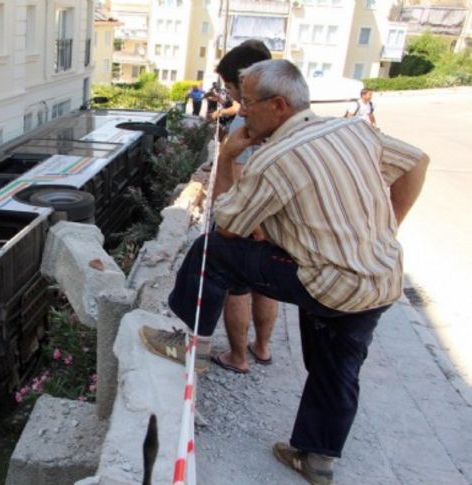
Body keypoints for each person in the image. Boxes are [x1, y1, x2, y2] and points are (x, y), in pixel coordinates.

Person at [141, 60, 428, 484]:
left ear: (278, 105)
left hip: (328, 280)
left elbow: (228, 224)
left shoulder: (276, 157)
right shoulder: (352, 130)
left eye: (247, 103)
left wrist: (230, 158)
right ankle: (316, 459)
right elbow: (417, 162)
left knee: (211, 252)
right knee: (338, 362)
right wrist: (387, 232)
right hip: (381, 278)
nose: (240, 112)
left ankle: (183, 344)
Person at [209, 39, 278, 374]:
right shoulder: (280, 116)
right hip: (275, 223)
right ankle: (262, 348)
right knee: (267, 290)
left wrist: (239, 223)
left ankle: (238, 357)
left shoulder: (244, 125)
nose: (232, 95)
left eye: (230, 87)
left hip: (248, 223)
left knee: (237, 290)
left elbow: (237, 176)